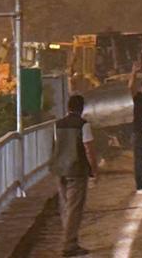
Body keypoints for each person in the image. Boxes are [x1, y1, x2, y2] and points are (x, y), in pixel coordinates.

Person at [49, 93, 100, 257]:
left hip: (60, 170)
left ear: (68, 107)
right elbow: (88, 149)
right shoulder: (83, 125)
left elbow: (56, 146)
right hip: (76, 170)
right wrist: (94, 170)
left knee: (65, 207)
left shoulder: (57, 125)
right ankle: (69, 245)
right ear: (82, 108)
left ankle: (71, 240)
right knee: (74, 209)